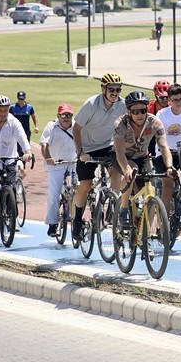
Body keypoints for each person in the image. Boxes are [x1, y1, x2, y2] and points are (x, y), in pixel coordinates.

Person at [70, 72, 127, 240]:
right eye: (111, 89)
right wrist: (80, 152)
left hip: (108, 146)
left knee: (117, 171)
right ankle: (77, 220)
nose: (115, 93)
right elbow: (76, 129)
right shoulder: (91, 104)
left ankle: (112, 207)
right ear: (103, 89)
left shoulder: (122, 105)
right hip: (87, 148)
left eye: (118, 90)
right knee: (85, 185)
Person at [113, 90, 175, 226]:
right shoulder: (120, 124)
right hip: (124, 157)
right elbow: (119, 152)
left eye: (142, 110)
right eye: (135, 111)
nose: (140, 114)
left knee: (150, 194)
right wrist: (127, 169)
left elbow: (164, 146)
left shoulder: (155, 122)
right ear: (128, 111)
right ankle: (124, 209)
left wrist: (169, 167)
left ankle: (145, 233)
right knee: (131, 172)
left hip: (143, 157)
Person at [40, 103, 79, 239]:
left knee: (80, 188)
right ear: (58, 116)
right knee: (54, 194)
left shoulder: (77, 126)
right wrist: (48, 158)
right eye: (63, 115)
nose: (66, 118)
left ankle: (78, 220)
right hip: (56, 164)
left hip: (73, 162)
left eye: (69, 115)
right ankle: (52, 224)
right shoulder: (51, 126)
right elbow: (44, 145)